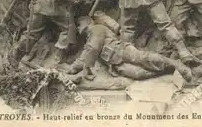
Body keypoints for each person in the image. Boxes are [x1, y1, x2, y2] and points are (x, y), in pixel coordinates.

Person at [65, 15, 193, 82]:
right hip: (114, 64)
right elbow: (85, 55)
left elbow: (93, 48)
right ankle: (168, 70)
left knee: (145, 59)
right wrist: (72, 69)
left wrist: (86, 68)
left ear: (87, 23)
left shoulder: (96, 28)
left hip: (121, 50)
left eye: (79, 25)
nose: (78, 28)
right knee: (138, 74)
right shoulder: (89, 38)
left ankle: (177, 66)